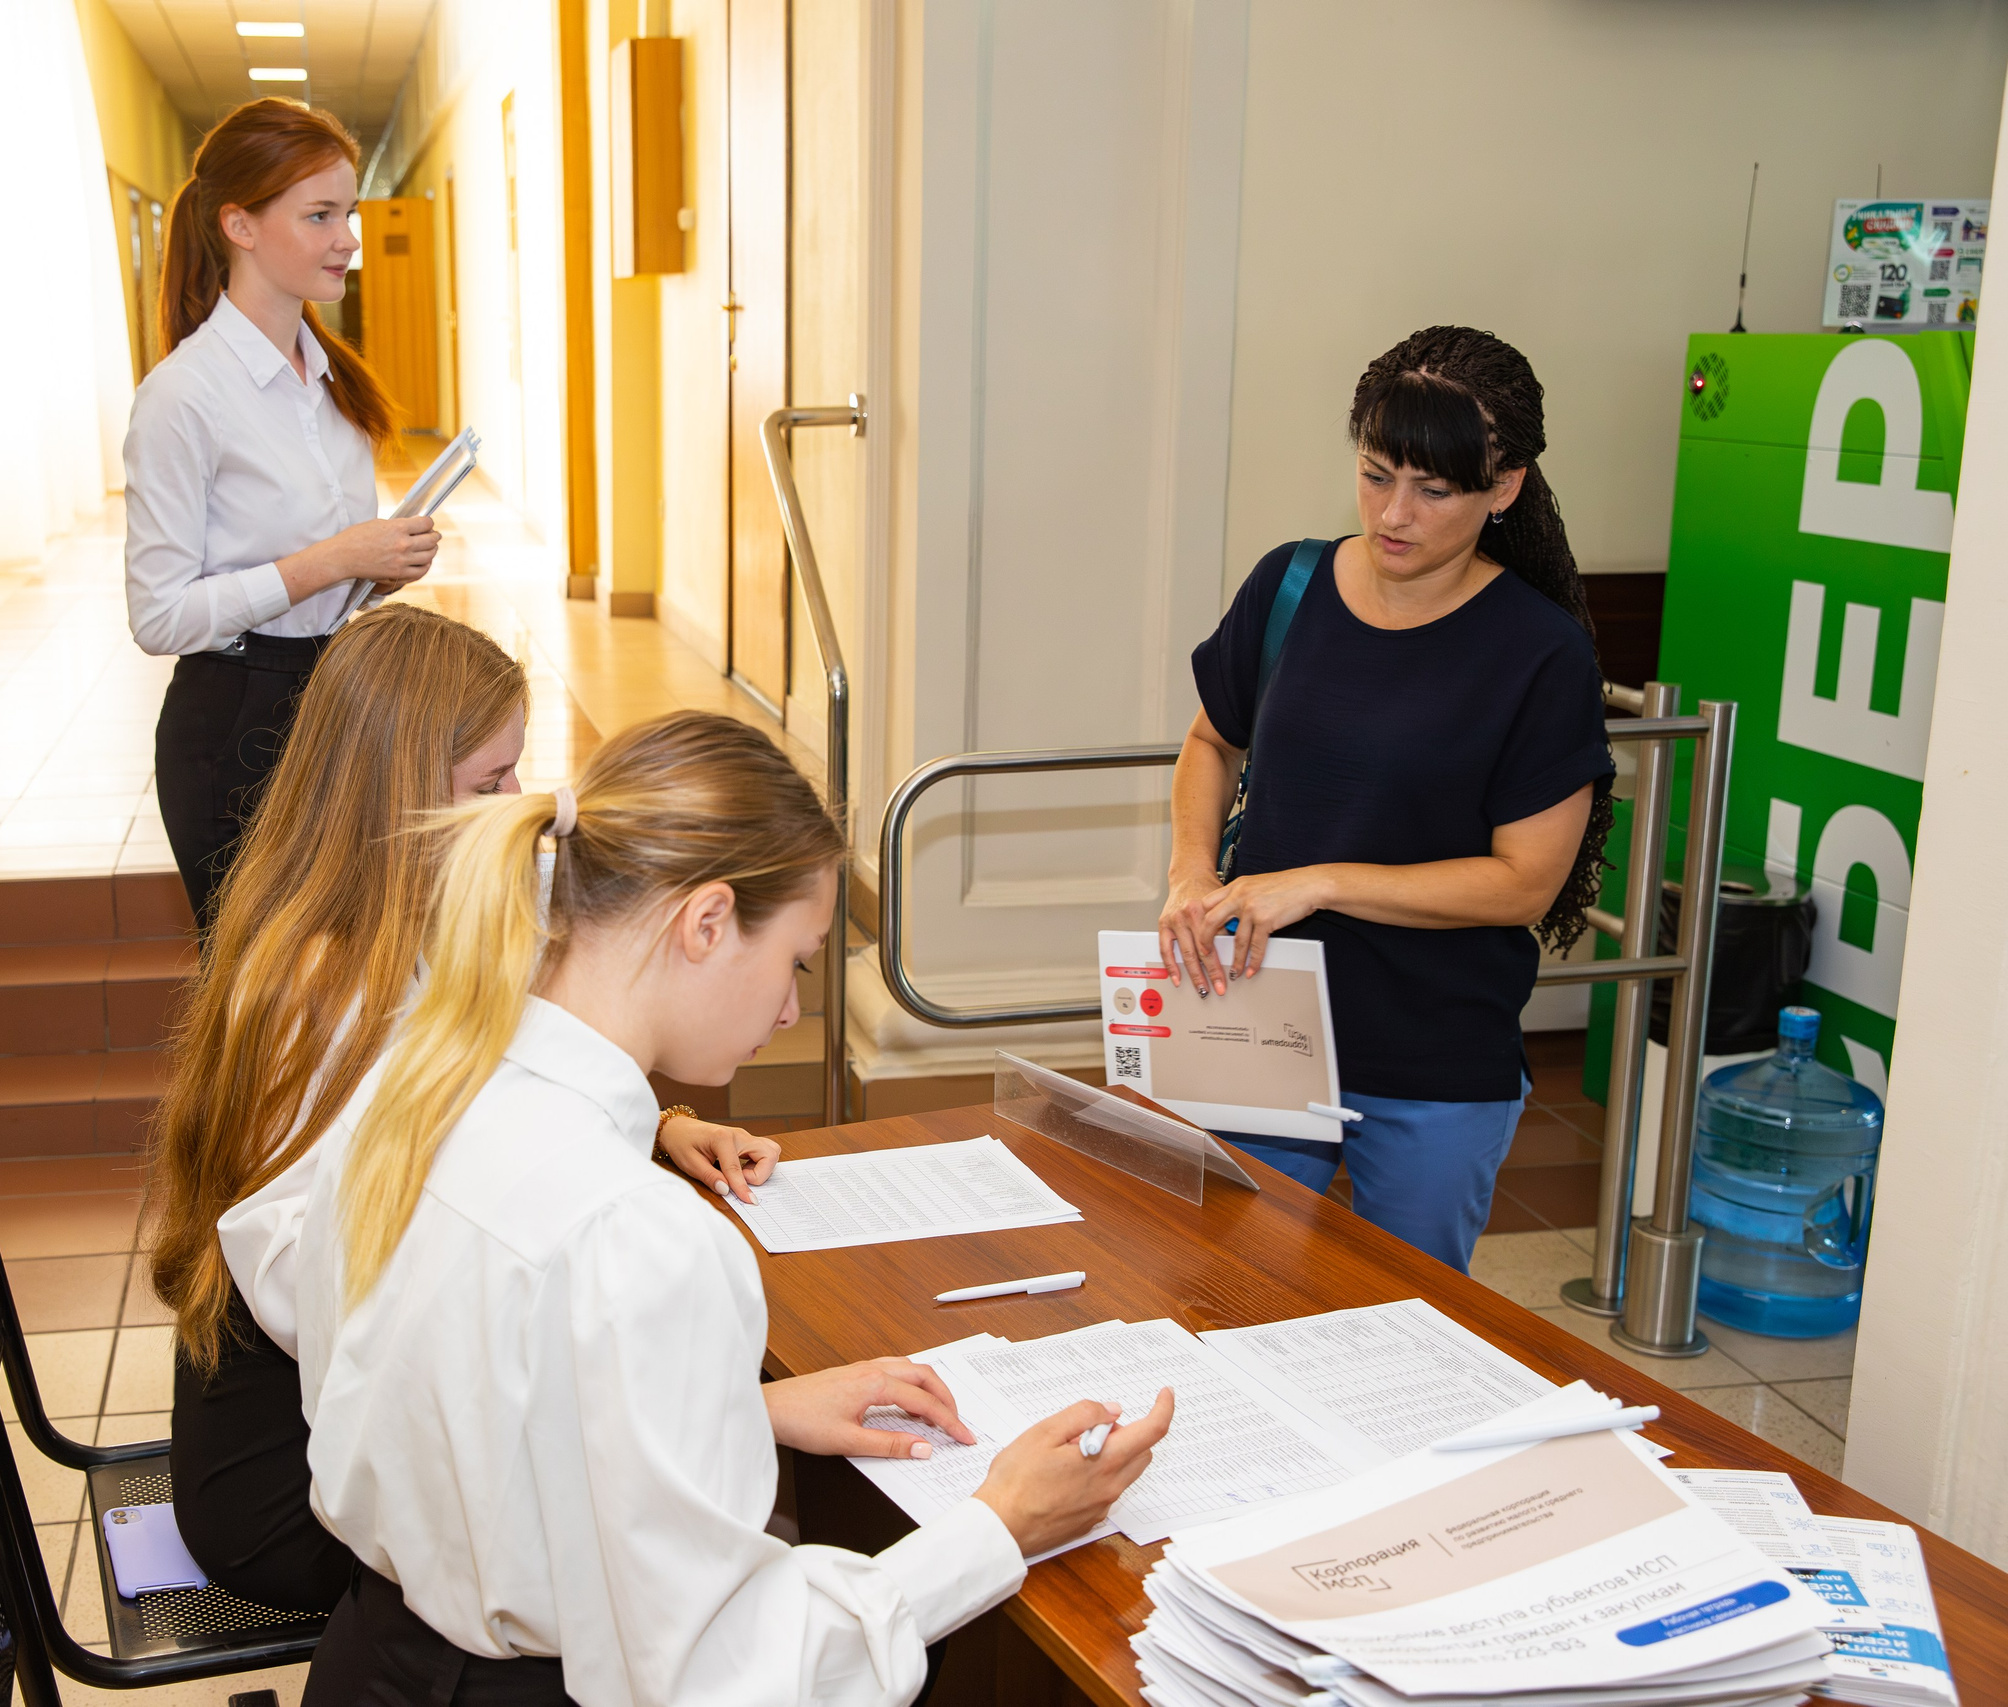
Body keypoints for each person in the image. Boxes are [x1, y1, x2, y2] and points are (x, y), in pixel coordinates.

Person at [284, 711, 1176, 1706]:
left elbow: (468, 1414)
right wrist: (997, 1526)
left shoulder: (404, 1089)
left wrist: (738, 1412)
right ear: (706, 922)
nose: (792, 1010)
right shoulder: (640, 1234)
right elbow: (726, 1674)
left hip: (371, 1659)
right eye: (795, 959)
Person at [147, 611, 784, 1613]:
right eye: (489, 783)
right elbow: (341, 1298)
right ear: (392, 788)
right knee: (634, 1547)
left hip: (338, 1407)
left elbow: (473, 1097)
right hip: (287, 1467)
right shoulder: (326, 985)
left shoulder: (394, 915)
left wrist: (658, 1130)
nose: (514, 805)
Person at [1156, 325, 1616, 1273]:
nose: (1393, 514)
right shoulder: (1290, 584)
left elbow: (1524, 884)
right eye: (1375, 474)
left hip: (1434, 1058)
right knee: (1223, 1299)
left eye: (1435, 490)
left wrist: (1317, 882)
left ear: (1506, 488)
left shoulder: (1538, 654)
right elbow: (1211, 740)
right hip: (1261, 1023)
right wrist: (1191, 872)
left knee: (1406, 1333)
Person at [126, 98, 439, 924]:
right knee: (261, 1006)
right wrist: (334, 561)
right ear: (240, 225)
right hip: (234, 724)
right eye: (321, 215)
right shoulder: (182, 398)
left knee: (350, 988)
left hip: (336, 699)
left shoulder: (331, 382)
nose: (348, 239)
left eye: (351, 213)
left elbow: (318, 583)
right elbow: (158, 616)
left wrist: (379, 567)